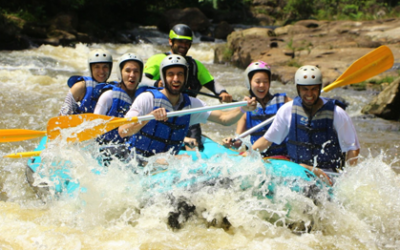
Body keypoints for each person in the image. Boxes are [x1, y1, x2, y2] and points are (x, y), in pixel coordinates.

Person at [118, 55, 256, 162]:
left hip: (165, 163)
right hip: (138, 160)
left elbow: (224, 119)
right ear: (164, 77)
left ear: (185, 78)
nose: (176, 79)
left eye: (180, 74)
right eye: (171, 74)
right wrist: (148, 118)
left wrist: (243, 108)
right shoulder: (147, 99)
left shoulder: (191, 104)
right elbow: (123, 130)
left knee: (186, 159)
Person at [249, 65, 360, 185]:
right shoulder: (287, 110)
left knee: (304, 168)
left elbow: (352, 149)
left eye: (314, 89)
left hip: (328, 175)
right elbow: (267, 140)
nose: (310, 94)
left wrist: (348, 180)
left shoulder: (337, 113)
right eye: (305, 89)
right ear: (298, 88)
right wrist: (247, 154)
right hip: (297, 171)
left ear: (319, 88)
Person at [143, 24, 233, 150]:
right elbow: (141, 80)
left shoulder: (195, 65)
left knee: (196, 148)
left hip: (188, 116)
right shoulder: (157, 59)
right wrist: (155, 83)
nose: (184, 45)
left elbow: (212, 83)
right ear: (170, 41)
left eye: (187, 42)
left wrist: (222, 92)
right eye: (180, 42)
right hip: (161, 115)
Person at [222, 61, 292, 156]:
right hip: (258, 157)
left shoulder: (284, 101)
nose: (262, 85)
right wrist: (231, 142)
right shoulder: (245, 109)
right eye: (257, 82)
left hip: (282, 156)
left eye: (265, 81)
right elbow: (238, 143)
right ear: (249, 82)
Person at [94, 53, 150, 144]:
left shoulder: (144, 98)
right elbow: (94, 127)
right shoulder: (109, 96)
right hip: (105, 148)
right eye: (128, 71)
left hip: (129, 151)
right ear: (120, 73)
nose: (132, 75)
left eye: (136, 71)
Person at [59, 49, 113, 115]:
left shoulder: (112, 90)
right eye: (97, 67)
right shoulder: (80, 87)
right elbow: (63, 114)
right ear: (91, 68)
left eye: (105, 67)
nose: (101, 71)